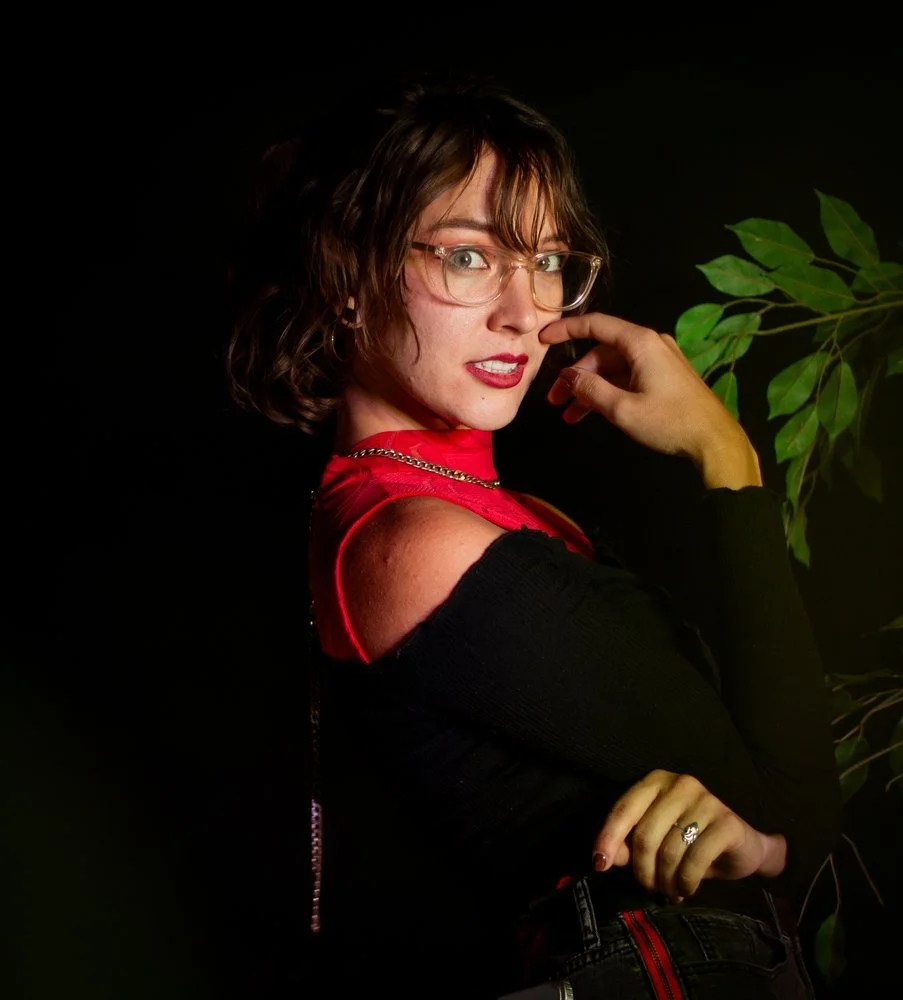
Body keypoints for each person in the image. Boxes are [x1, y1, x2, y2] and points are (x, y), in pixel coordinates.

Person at [226, 75, 840, 999]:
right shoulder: (410, 541)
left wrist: (770, 840)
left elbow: (778, 818)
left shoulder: (494, 513)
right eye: (469, 258)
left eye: (548, 260)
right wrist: (726, 454)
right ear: (348, 278)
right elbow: (793, 804)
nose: (526, 311)